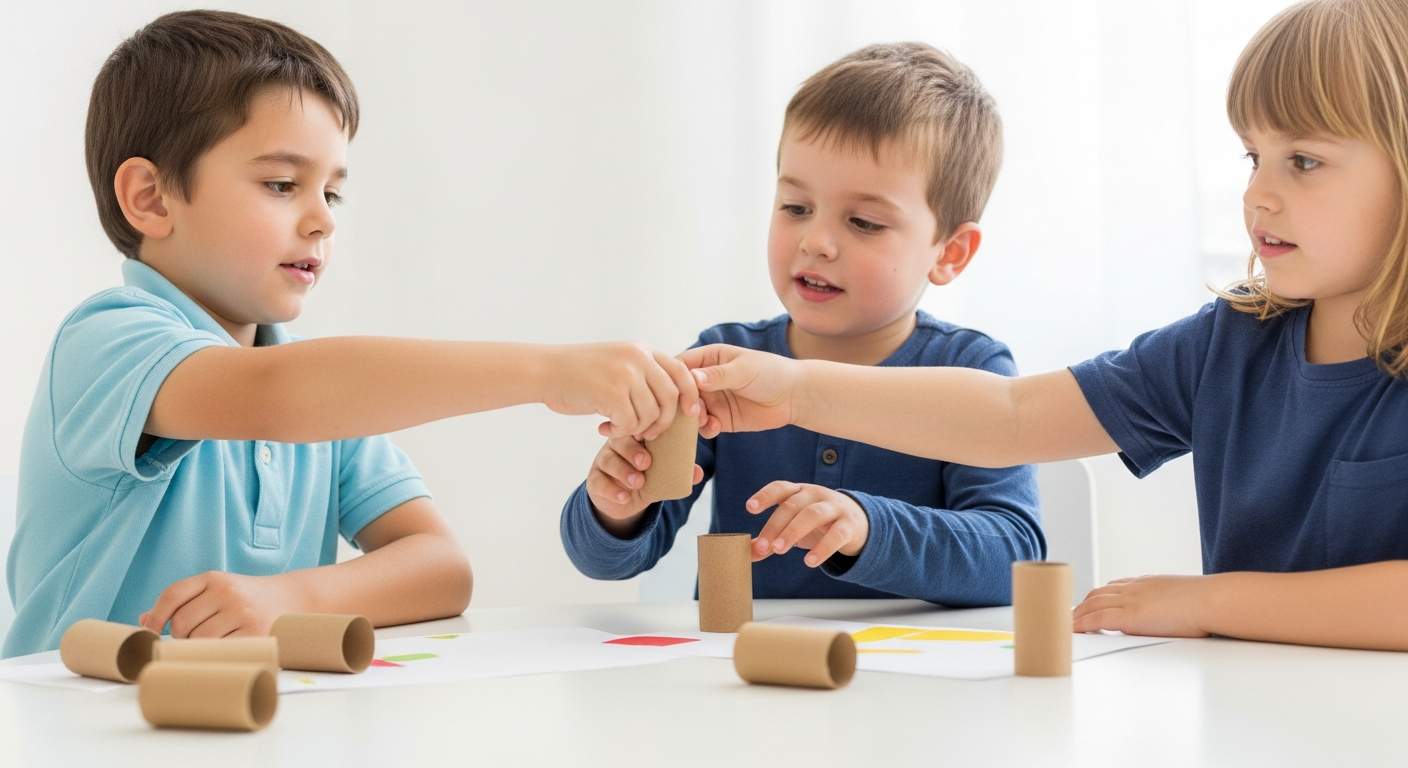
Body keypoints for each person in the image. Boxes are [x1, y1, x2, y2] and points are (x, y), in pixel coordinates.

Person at [680, 0, 1408, 651]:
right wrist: (795, 389)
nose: (1256, 194)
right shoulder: (1229, 341)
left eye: (1303, 161)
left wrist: (1209, 601)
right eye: (1254, 156)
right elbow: (1014, 416)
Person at [5, 10, 699, 657]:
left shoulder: (326, 399)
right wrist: (547, 373)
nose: (323, 220)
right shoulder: (108, 343)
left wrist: (291, 599)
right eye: (282, 184)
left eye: (331, 193)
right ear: (151, 198)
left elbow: (441, 569)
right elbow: (276, 399)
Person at [561, 43, 1042, 605]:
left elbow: (1013, 557)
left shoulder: (971, 371)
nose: (815, 241)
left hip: (911, 680)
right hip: (742, 676)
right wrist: (616, 508)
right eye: (795, 207)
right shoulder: (724, 359)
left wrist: (867, 527)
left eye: (863, 222)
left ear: (950, 252)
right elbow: (603, 562)